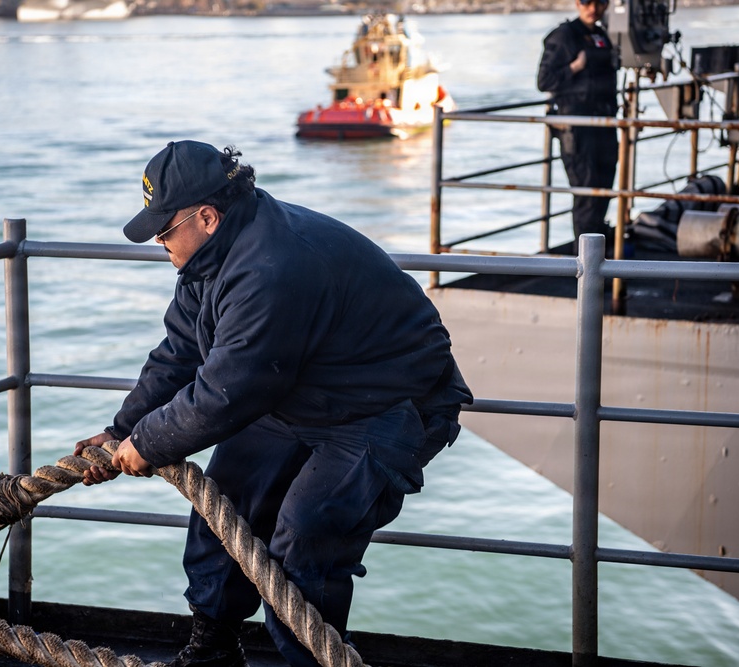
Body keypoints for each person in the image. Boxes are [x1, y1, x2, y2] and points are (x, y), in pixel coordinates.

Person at [74, 140, 472, 667]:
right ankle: (213, 650)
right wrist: (120, 428)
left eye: (164, 230)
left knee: (307, 537)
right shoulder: (208, 261)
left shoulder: (270, 266)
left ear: (207, 217)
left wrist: (145, 444)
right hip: (301, 393)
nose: (159, 243)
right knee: (225, 508)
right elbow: (179, 353)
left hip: (390, 405)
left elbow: (225, 392)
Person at [537, 0, 620, 253]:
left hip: (604, 126)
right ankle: (585, 266)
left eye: (600, 2)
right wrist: (575, 66)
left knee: (603, 192)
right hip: (577, 129)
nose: (592, 7)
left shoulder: (603, 34)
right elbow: (544, 81)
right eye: (586, 1)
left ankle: (599, 257)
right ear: (577, 3)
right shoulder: (564, 36)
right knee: (586, 197)